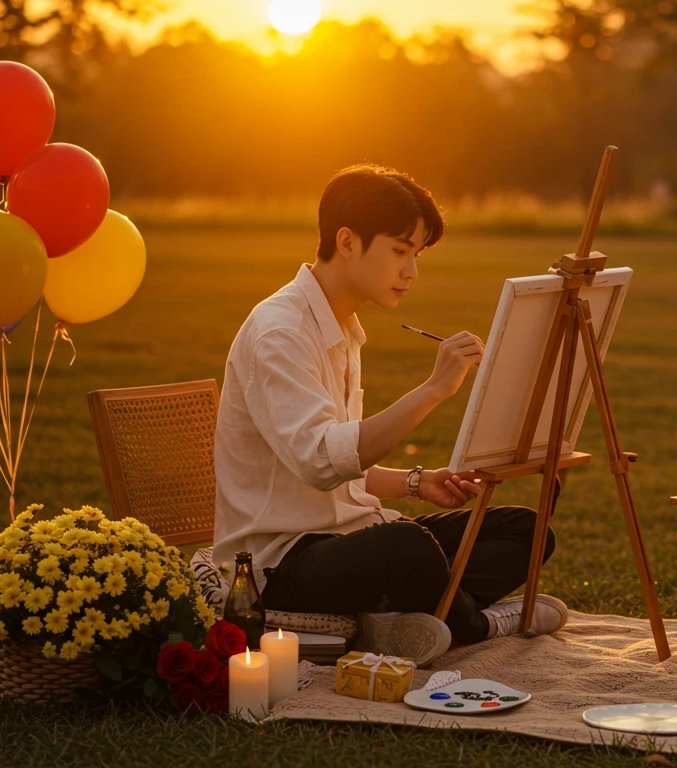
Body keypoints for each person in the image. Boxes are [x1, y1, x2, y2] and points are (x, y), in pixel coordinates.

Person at [212, 164, 568, 664]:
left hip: (352, 539)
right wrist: (435, 389)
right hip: (278, 565)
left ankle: (402, 616)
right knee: (407, 547)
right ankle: (480, 623)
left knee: (524, 530)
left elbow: (342, 469)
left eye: (416, 254)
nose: (412, 271)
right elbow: (322, 461)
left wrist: (416, 483)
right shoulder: (281, 333)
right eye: (400, 251)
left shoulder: (341, 326)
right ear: (347, 241)